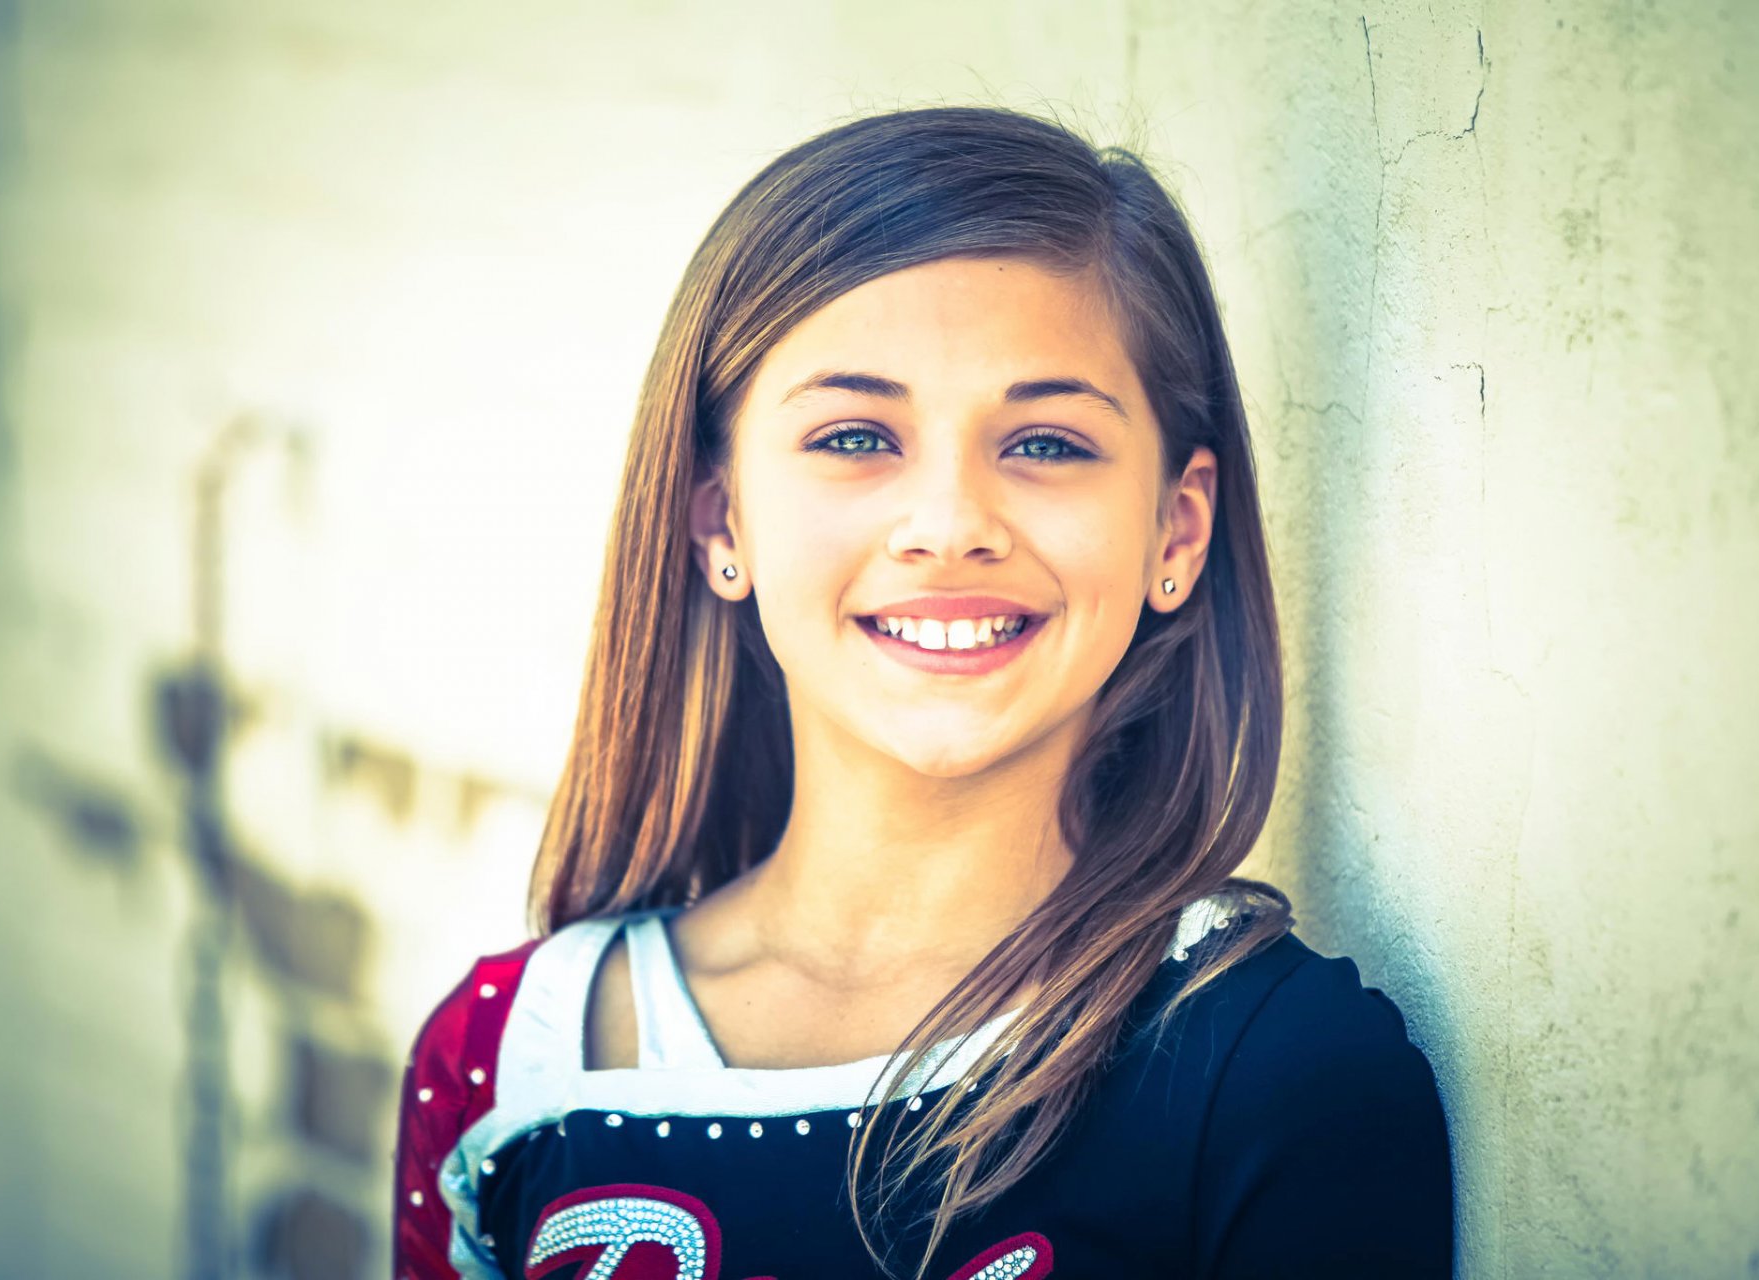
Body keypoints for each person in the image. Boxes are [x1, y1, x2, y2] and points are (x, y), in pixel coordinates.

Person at [391, 104, 1454, 1279]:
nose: (949, 525)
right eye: (855, 436)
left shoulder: (1283, 1073)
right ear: (721, 521)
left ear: (1177, 528)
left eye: (1046, 442)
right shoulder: (509, 1060)